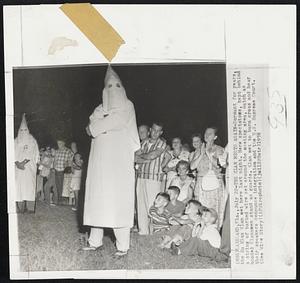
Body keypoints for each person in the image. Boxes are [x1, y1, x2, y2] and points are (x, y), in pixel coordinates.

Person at [82, 66, 140, 256]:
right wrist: (98, 125)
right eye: (109, 86)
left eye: (117, 85)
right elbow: (90, 126)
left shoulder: (128, 105)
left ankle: (122, 246)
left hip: (118, 163)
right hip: (99, 163)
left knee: (117, 201)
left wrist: (99, 125)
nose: (113, 89)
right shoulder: (99, 107)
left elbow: (115, 121)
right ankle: (94, 241)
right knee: (99, 200)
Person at [135, 122, 170, 235]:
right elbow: (135, 158)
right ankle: (143, 231)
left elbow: (152, 156)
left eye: (158, 131)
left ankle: (153, 232)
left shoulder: (162, 144)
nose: (155, 133)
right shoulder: (143, 142)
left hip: (153, 179)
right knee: (141, 205)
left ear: (161, 132)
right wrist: (146, 158)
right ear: (150, 130)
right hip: (141, 177)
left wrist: (143, 157)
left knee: (153, 205)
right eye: (154, 130)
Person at [190, 127, 226, 228]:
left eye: (210, 134)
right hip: (200, 184)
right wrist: (202, 153)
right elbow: (192, 166)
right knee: (200, 210)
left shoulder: (219, 149)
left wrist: (209, 154)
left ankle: (214, 235)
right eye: (205, 133)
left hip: (214, 184)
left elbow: (220, 165)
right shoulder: (199, 149)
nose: (206, 135)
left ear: (215, 137)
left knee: (213, 212)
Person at [14, 113, 39, 213]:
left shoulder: (32, 140)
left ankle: (30, 208)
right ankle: (21, 208)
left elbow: (32, 153)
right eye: (21, 130)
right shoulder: (16, 141)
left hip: (28, 168)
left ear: (27, 130)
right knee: (19, 187)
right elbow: (12, 153)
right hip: (18, 169)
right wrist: (17, 163)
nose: (23, 132)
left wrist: (23, 163)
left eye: (25, 130)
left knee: (29, 186)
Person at [53, 138, 73, 205]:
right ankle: (59, 200)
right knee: (58, 186)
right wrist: (54, 167)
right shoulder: (57, 151)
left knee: (63, 186)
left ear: (64, 143)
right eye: (58, 143)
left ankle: (62, 200)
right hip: (57, 170)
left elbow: (71, 161)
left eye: (60, 143)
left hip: (64, 171)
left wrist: (67, 165)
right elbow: (55, 161)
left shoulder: (68, 151)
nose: (59, 145)